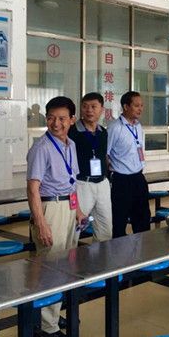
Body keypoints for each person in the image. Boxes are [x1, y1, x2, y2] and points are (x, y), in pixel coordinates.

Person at [27, 96, 85, 337]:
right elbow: (32, 189)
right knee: (51, 266)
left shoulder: (71, 145)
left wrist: (78, 211)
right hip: (50, 208)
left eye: (62, 118)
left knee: (66, 264)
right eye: (51, 118)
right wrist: (41, 223)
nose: (56, 123)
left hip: (68, 207)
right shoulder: (41, 148)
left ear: (72, 120)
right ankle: (47, 326)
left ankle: (51, 313)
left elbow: (72, 183)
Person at [68, 92, 112, 242]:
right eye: (85, 106)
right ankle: (70, 256)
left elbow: (104, 156)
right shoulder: (72, 131)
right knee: (75, 227)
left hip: (102, 183)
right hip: (82, 184)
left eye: (93, 107)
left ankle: (102, 256)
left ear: (102, 109)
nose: (89, 110)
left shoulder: (103, 132)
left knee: (105, 229)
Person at [107, 91, 151, 238]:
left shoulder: (138, 126)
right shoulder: (115, 127)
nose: (140, 109)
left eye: (141, 105)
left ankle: (143, 249)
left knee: (143, 219)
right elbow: (105, 154)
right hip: (121, 180)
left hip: (138, 177)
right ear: (126, 107)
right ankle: (119, 251)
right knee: (119, 220)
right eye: (136, 106)